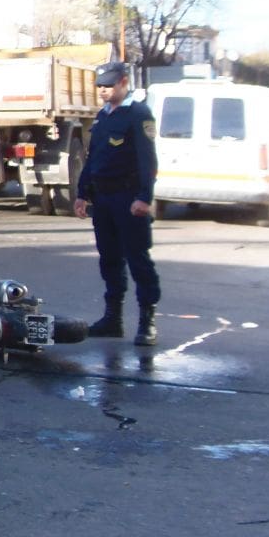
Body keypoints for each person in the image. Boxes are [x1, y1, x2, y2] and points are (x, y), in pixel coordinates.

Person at [74, 61, 162, 346]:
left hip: (128, 198)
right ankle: (113, 319)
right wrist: (82, 193)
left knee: (138, 260)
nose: (103, 90)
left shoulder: (138, 114)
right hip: (104, 199)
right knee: (109, 259)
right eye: (99, 86)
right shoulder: (102, 116)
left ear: (124, 82)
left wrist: (144, 197)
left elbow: (148, 160)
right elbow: (93, 159)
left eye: (108, 85)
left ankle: (147, 322)